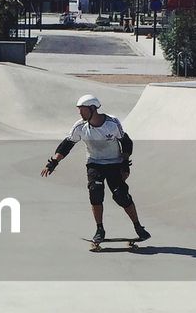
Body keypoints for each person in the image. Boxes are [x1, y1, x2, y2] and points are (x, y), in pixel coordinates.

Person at [41, 94, 150, 246]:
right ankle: (100, 230)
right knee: (95, 193)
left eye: (82, 110)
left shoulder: (112, 123)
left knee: (121, 196)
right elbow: (67, 145)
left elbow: (126, 142)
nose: (80, 113)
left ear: (92, 109)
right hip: (94, 164)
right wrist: (53, 163)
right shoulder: (80, 127)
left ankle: (138, 227)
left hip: (114, 163)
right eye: (79, 110)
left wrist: (125, 163)